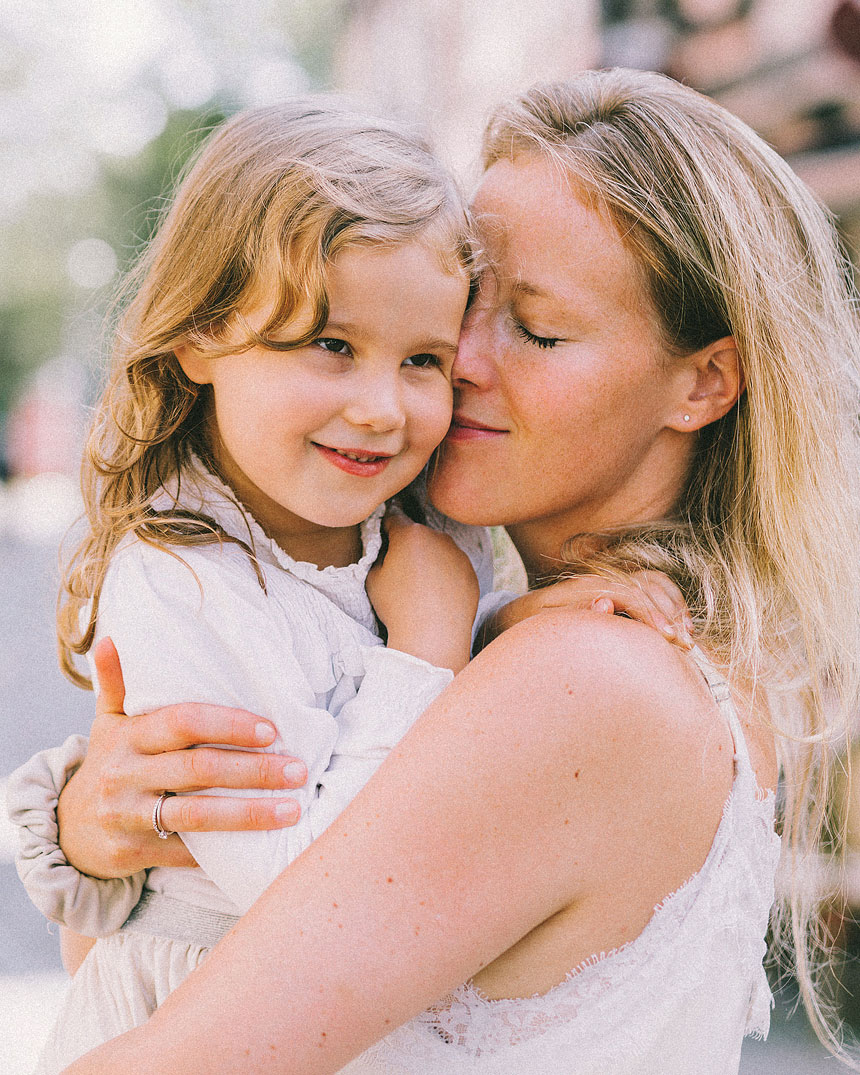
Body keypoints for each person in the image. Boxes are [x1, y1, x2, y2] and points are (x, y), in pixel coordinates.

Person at [18, 67, 860, 1073]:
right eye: (465, 302)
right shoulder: (539, 637)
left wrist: (432, 644)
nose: (456, 360)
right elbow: (125, 970)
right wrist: (90, 833)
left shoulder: (585, 680)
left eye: (539, 330)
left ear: (704, 382)